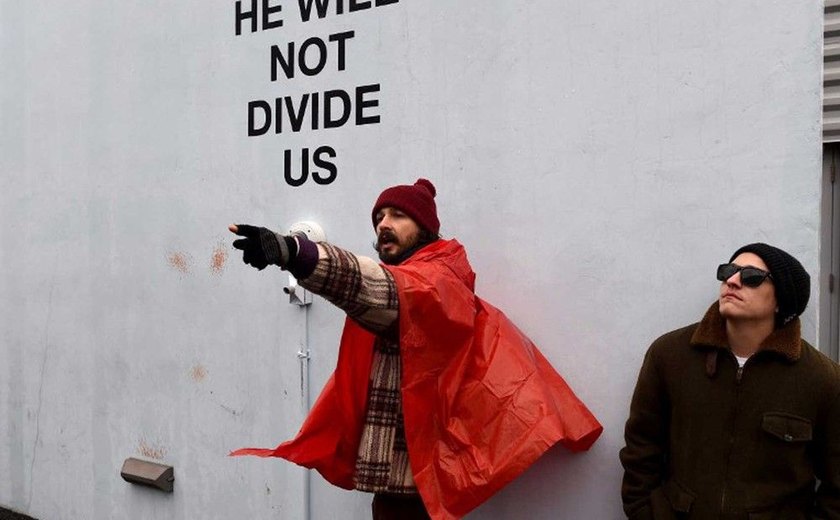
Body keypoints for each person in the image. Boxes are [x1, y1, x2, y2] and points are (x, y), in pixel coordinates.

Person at [228, 178, 602, 520]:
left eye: (398, 215)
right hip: (395, 483)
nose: (383, 225)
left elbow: (377, 289)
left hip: (418, 484)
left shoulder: (437, 282)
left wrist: (294, 252)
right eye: (379, 217)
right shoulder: (414, 277)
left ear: (425, 228)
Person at [620, 243, 840, 519]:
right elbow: (641, 447)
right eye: (728, 271)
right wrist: (645, 512)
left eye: (751, 276)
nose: (732, 281)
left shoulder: (821, 378)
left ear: (781, 299)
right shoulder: (670, 355)